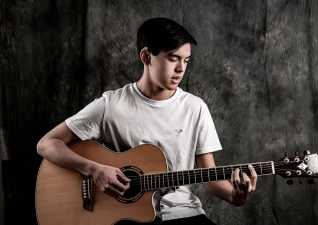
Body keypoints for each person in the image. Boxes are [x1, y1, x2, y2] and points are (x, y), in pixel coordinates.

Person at [36, 17, 257, 225]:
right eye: (173, 58)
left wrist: (238, 195)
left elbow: (212, 178)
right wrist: (94, 169)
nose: (181, 69)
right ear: (145, 56)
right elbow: (46, 144)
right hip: (126, 218)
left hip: (184, 213)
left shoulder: (195, 107)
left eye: (186, 60)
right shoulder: (110, 105)